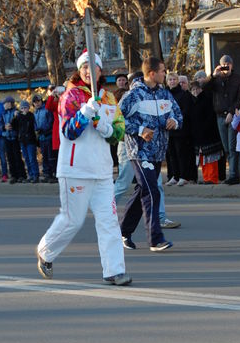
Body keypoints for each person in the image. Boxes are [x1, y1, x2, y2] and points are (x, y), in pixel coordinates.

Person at [36, 49, 131, 286]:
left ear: (100, 70)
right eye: (84, 67)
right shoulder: (70, 96)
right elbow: (70, 131)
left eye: (93, 67)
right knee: (72, 220)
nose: (89, 71)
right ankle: (46, 251)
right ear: (80, 70)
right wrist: (87, 111)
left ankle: (114, 270)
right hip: (75, 169)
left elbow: (119, 132)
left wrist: (106, 128)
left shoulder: (109, 98)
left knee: (109, 221)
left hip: (102, 171)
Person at [119, 56, 182, 252]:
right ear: (152, 73)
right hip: (139, 151)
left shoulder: (165, 94)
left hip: (157, 152)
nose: (165, 74)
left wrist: (174, 121)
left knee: (142, 191)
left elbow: (178, 114)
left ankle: (122, 232)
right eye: (163, 71)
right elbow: (117, 121)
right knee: (151, 190)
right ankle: (155, 239)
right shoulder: (133, 96)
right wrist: (140, 130)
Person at [204, 55, 240, 184]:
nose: (226, 67)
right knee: (226, 147)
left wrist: (232, 112)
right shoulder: (216, 80)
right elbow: (205, 90)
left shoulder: (239, 79)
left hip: (233, 116)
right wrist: (213, 76)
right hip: (220, 116)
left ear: (232, 65)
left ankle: (234, 175)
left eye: (228, 64)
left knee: (233, 147)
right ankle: (233, 173)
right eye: (223, 64)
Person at [165, 71, 194, 186]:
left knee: (181, 153)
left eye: (174, 79)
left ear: (178, 81)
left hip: (181, 129)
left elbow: (185, 112)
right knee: (171, 153)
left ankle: (184, 176)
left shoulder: (184, 94)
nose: (172, 82)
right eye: (170, 80)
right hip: (168, 129)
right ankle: (175, 175)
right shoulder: (165, 94)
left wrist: (175, 121)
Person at [1, 96, 26, 183]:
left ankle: (21, 175)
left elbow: (20, 124)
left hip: (15, 137)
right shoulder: (3, 113)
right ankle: (13, 175)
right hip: (7, 137)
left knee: (17, 157)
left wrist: (13, 124)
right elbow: (0, 125)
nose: (5, 105)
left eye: (6, 103)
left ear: (11, 103)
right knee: (10, 157)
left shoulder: (16, 112)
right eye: (4, 103)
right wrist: (4, 127)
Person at [32, 94, 56, 182]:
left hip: (48, 136)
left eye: (38, 101)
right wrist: (36, 129)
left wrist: (43, 128)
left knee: (50, 156)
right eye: (35, 102)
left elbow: (50, 121)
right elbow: (34, 123)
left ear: (41, 101)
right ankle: (46, 174)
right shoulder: (35, 112)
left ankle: (53, 174)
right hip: (41, 137)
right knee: (44, 156)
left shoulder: (46, 109)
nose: (37, 103)